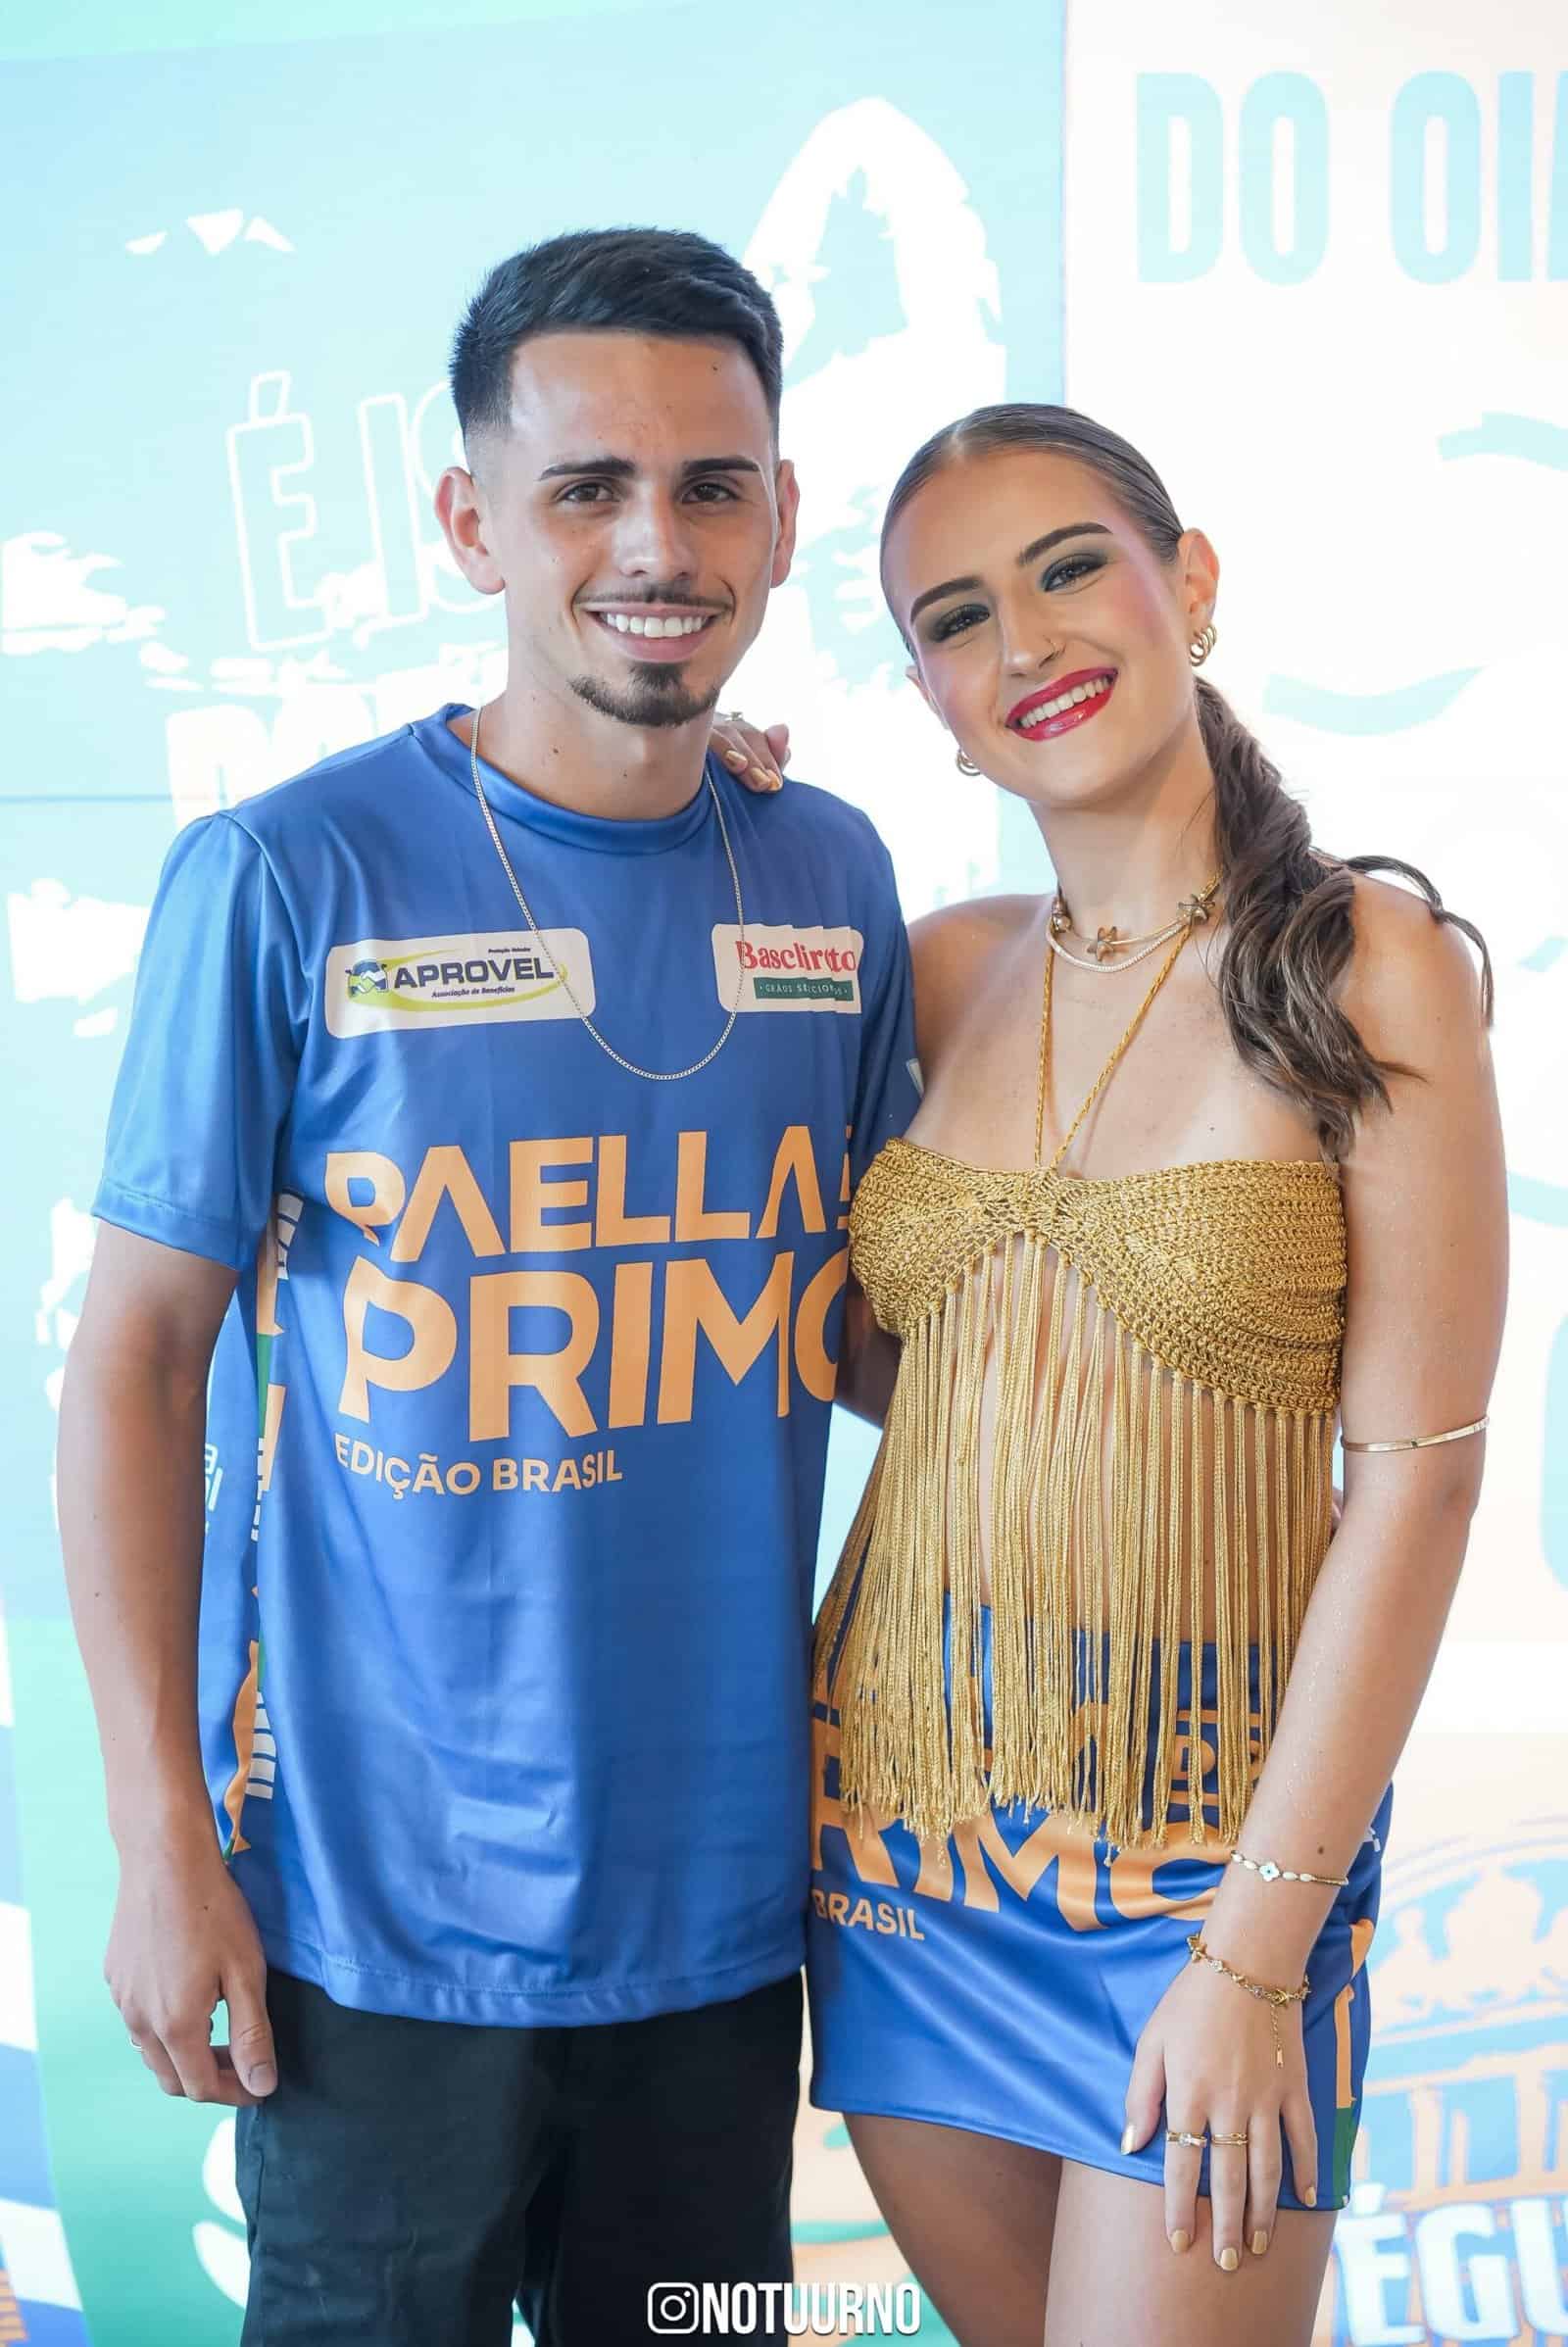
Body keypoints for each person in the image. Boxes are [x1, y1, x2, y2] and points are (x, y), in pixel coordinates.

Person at [55, 226, 919, 2347]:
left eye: (712, 486)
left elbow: (872, 1332)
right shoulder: (288, 873)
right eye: (585, 488)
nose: (657, 544)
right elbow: (137, 1364)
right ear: (470, 524)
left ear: (781, 516)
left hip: (726, 1928)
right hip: (368, 1928)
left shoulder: (828, 872)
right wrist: (159, 1838)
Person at [799, 403, 1506, 2347]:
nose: (1022, 641)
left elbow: (1423, 1481)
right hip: (897, 1838)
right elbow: (905, 1365)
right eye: (955, 617)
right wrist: (727, 802)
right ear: (931, 702)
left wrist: (1258, 1950)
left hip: (1210, 1870)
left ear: (1185, 582)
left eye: (1066, 570)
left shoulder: (1364, 963)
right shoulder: (934, 969)